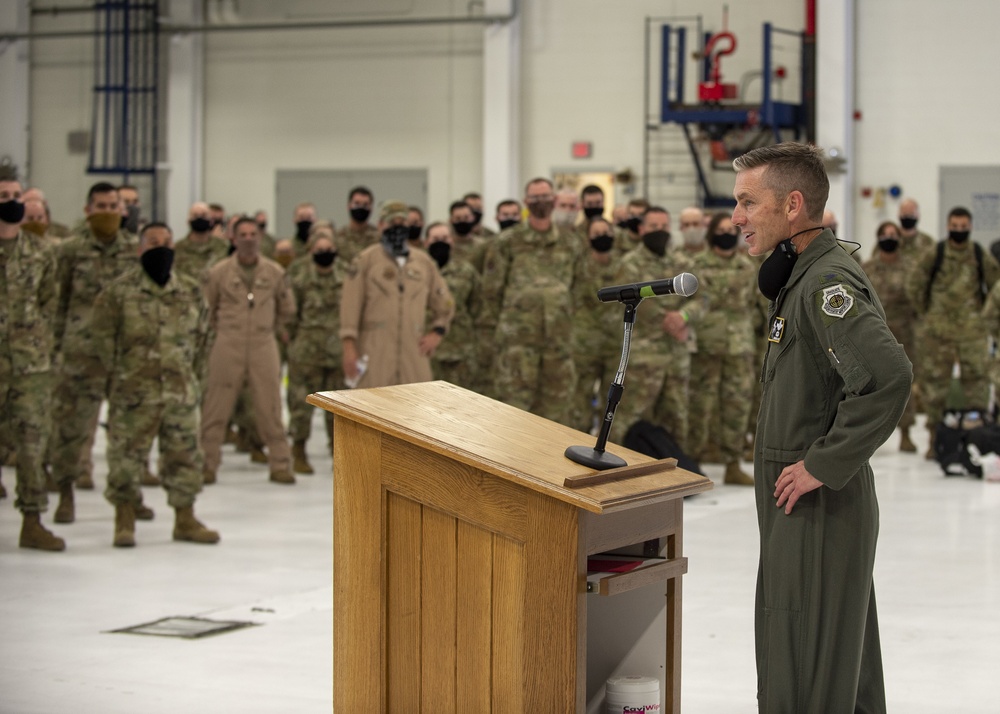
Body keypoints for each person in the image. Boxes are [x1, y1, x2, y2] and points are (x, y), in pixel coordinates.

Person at [732, 142, 911, 712]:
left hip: (817, 503)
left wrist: (821, 463)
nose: (735, 218)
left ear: (792, 205)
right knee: (834, 665)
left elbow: (888, 378)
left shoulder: (825, 284)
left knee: (804, 670)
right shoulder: (800, 277)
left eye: (746, 203)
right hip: (804, 503)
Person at [91, 222, 218, 547]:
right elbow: (103, 344)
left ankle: (185, 518)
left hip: (180, 392)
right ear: (139, 249)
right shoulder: (118, 293)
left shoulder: (189, 291)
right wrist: (119, 382)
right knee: (126, 458)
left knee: (185, 457)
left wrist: (191, 382)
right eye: (152, 242)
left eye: (165, 242)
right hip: (133, 394)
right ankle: (125, 518)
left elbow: (203, 341)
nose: (159, 248)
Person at [50, 182, 140, 522]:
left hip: (123, 358)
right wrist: (55, 349)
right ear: (88, 210)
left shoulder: (135, 250)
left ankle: (127, 501)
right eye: (100, 206)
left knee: (127, 434)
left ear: (122, 210)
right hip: (80, 357)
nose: (107, 211)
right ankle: (65, 492)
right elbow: (56, 303)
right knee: (71, 430)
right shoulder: (70, 251)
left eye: (112, 205)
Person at [478, 178, 583, 426]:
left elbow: (579, 289)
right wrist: (492, 339)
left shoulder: (571, 243)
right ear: (526, 203)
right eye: (535, 198)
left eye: (545, 197)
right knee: (514, 414)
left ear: (554, 201)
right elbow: (491, 293)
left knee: (557, 414)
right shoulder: (507, 242)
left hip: (558, 343)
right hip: (517, 344)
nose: (541, 203)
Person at [200, 217, 296, 485]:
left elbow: (287, 309)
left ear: (260, 237)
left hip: (263, 343)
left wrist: (269, 328)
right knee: (216, 406)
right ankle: (207, 463)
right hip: (228, 342)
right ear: (233, 238)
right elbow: (207, 310)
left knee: (271, 406)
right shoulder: (219, 272)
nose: (249, 238)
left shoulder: (275, 272)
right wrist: (224, 331)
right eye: (243, 234)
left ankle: (280, 464)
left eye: (253, 233)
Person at [0, 171, 65, 551]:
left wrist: (40, 346)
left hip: (29, 366)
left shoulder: (41, 252)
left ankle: (32, 520)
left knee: (31, 444)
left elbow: (49, 304)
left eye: (14, 194)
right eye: (3, 194)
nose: (10, 200)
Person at [907, 206, 1000, 457]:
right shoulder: (935, 253)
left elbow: (995, 285)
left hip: (972, 333)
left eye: (963, 227)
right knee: (934, 388)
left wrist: (985, 316)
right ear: (948, 226)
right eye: (955, 227)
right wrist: (926, 312)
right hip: (937, 333)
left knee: (977, 385)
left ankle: (976, 438)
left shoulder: (979, 254)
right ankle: (935, 440)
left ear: (970, 227)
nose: (959, 232)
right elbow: (915, 283)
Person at [606, 206, 702, 445]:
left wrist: (684, 316)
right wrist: (668, 319)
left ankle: (674, 473)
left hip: (676, 356)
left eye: (663, 227)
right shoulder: (628, 263)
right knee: (630, 419)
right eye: (653, 226)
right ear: (641, 229)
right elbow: (631, 298)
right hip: (642, 358)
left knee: (677, 419)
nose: (659, 231)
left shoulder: (683, 262)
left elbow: (704, 298)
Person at [340, 201, 455, 389]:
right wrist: (349, 347)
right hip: (374, 352)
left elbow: (444, 302)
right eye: (392, 222)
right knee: (372, 410)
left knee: (416, 410)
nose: (398, 227)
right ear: (380, 225)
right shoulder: (365, 261)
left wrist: (438, 332)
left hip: (414, 353)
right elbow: (350, 306)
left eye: (403, 222)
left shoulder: (423, 262)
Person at [687, 213, 756, 484]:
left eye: (731, 229)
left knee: (737, 405)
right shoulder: (697, 265)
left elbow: (753, 304)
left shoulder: (747, 266)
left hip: (739, 346)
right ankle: (693, 462)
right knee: (700, 406)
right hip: (707, 345)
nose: (727, 233)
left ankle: (732, 463)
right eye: (721, 229)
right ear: (712, 233)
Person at [286, 223, 346, 473]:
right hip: (306, 351)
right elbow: (290, 314)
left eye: (329, 248)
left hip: (338, 351)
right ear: (311, 250)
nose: (325, 252)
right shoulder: (299, 276)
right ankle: (298, 450)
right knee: (300, 405)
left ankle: (339, 453)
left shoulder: (346, 275)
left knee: (339, 408)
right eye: (320, 248)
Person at [862, 221, 920, 452]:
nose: (890, 238)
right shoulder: (867, 268)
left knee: (905, 381)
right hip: (873, 332)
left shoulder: (911, 268)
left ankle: (906, 432)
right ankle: (867, 435)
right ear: (878, 238)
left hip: (904, 333)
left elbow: (919, 297)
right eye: (885, 234)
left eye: (894, 234)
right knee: (870, 384)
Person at [570, 217, 621, 433]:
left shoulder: (623, 265)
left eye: (606, 232)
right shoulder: (578, 265)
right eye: (596, 233)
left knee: (612, 401)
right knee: (580, 398)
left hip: (614, 343)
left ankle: (606, 446)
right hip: (584, 344)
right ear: (588, 238)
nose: (602, 237)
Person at [424, 221, 481, 391]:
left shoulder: (467, 271)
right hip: (424, 350)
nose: (440, 242)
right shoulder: (416, 271)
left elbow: (478, 307)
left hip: (460, 351)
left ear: (452, 241)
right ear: (426, 242)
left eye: (445, 238)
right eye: (435, 238)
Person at [174, 201, 229, 283]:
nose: (199, 218)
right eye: (195, 215)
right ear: (188, 221)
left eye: (204, 215)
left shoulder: (223, 246)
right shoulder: (178, 248)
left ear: (211, 221)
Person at [335, 186, 377, 263]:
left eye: (365, 204)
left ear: (371, 208)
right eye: (357, 203)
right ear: (349, 206)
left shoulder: (378, 237)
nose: (361, 207)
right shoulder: (337, 237)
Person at [449, 199, 487, 271]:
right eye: (458, 218)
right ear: (451, 220)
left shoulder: (482, 245)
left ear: (473, 218)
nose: (462, 221)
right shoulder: (447, 246)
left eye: (466, 217)